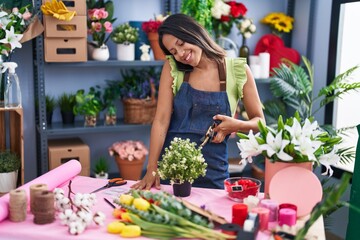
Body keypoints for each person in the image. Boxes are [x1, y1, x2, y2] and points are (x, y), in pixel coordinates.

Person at [131, 13, 264, 190]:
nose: (180, 54)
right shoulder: (173, 68)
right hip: (172, 170)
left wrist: (235, 125)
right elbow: (161, 121)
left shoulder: (238, 70)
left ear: (194, 33)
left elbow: (260, 122)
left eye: (181, 44)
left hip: (214, 171)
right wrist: (152, 168)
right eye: (173, 51)